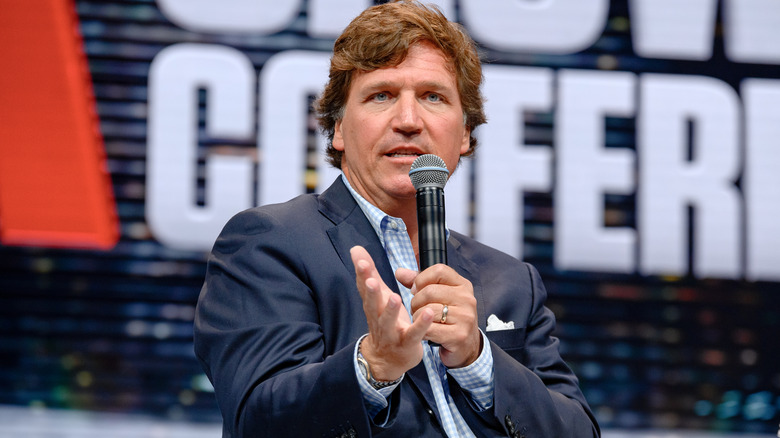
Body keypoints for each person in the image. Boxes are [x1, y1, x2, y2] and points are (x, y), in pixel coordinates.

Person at [193, 1, 600, 437]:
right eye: (381, 95)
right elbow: (259, 421)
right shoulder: (269, 243)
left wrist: (476, 357)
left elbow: (578, 430)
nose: (408, 120)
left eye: (433, 96)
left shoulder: (513, 280)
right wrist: (375, 366)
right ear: (339, 130)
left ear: (464, 133)